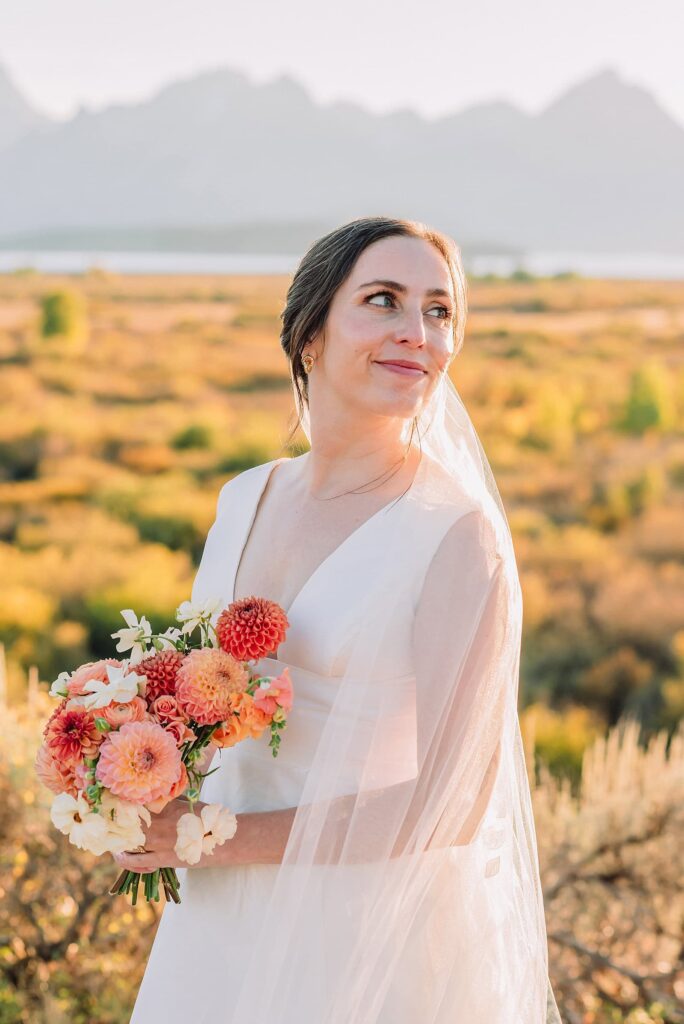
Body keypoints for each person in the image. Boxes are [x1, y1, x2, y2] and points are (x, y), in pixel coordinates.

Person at [122, 216, 563, 1022]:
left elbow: (453, 800)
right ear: (309, 333)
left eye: (439, 311)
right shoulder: (242, 498)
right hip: (216, 925)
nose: (417, 334)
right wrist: (128, 771)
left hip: (360, 936)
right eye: (385, 301)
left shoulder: (456, 536)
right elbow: (200, 696)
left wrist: (217, 836)